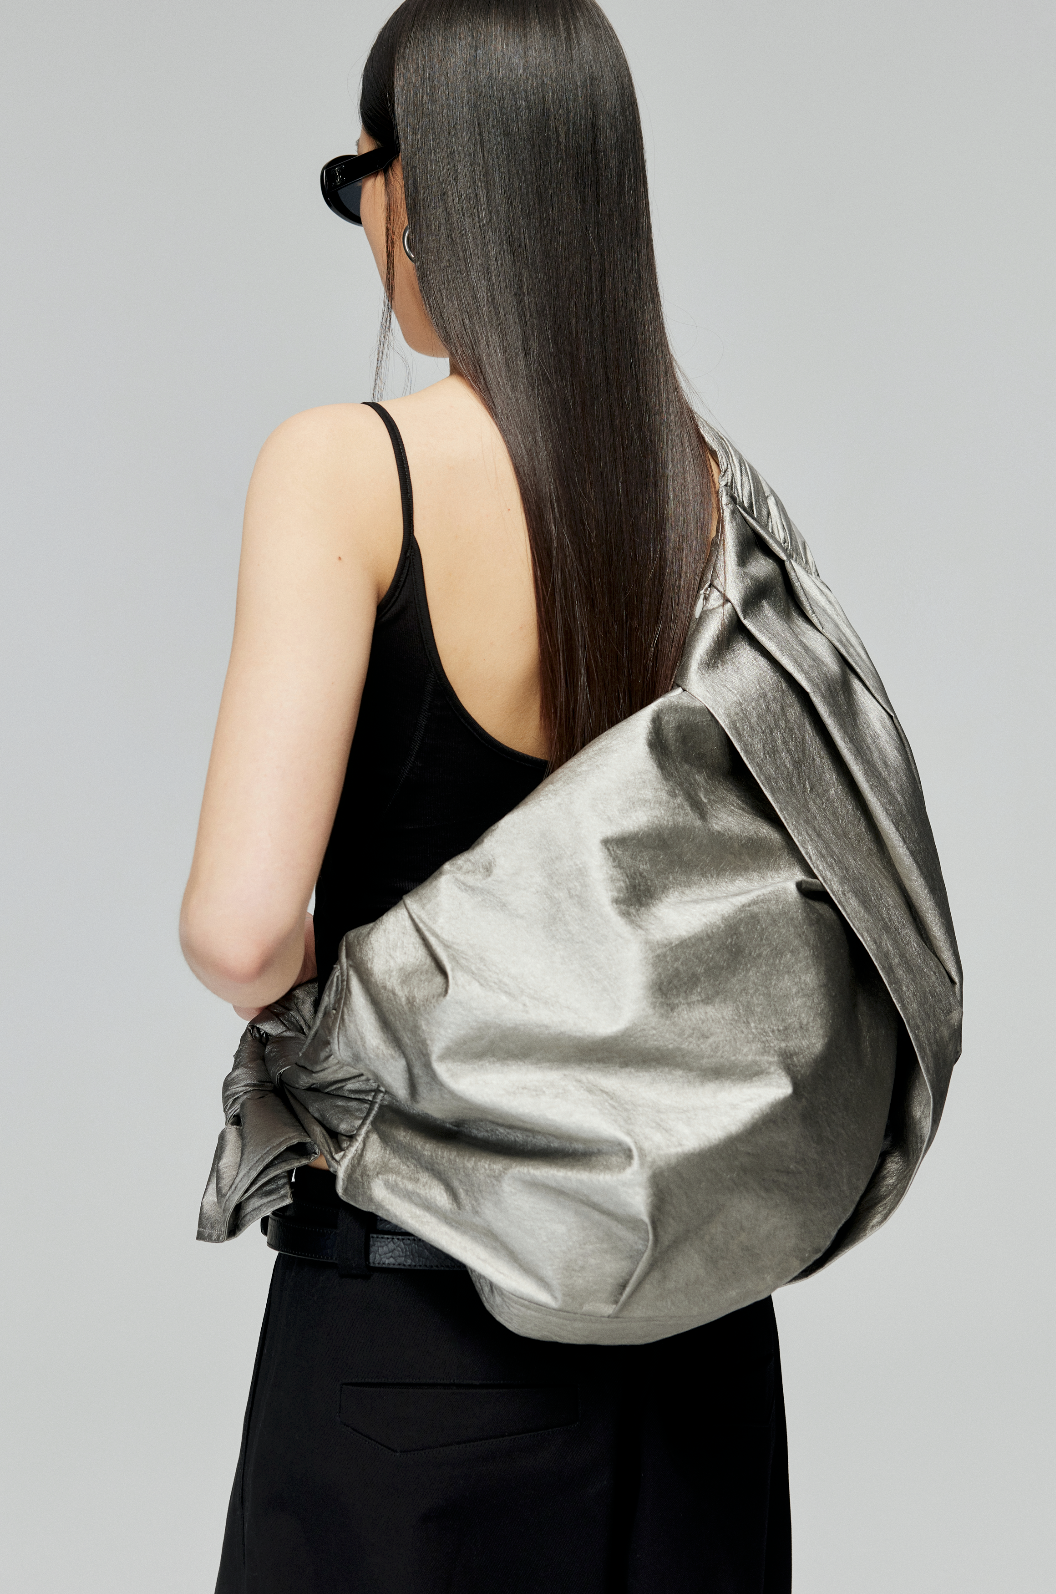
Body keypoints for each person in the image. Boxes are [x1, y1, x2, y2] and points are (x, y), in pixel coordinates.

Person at [182, 2, 812, 1588]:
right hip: (693, 1352)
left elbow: (242, 932)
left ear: (424, 186)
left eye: (362, 177)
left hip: (417, 1340)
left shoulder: (348, 468)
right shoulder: (714, 495)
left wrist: (358, 1001)